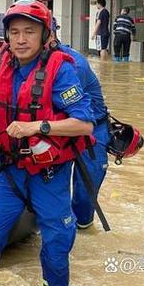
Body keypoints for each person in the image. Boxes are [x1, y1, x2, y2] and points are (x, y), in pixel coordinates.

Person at [0, 0, 94, 286]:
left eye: (30, 32)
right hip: (8, 169)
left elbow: (84, 123)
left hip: (49, 175)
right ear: (6, 36)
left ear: (45, 34)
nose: (21, 39)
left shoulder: (62, 70)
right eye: (15, 32)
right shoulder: (1, 61)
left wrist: (37, 126)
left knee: (56, 249)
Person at [52, 19, 110, 229]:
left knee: (85, 199)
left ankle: (82, 228)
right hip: (59, 129)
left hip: (92, 131)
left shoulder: (71, 64)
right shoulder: (30, 61)